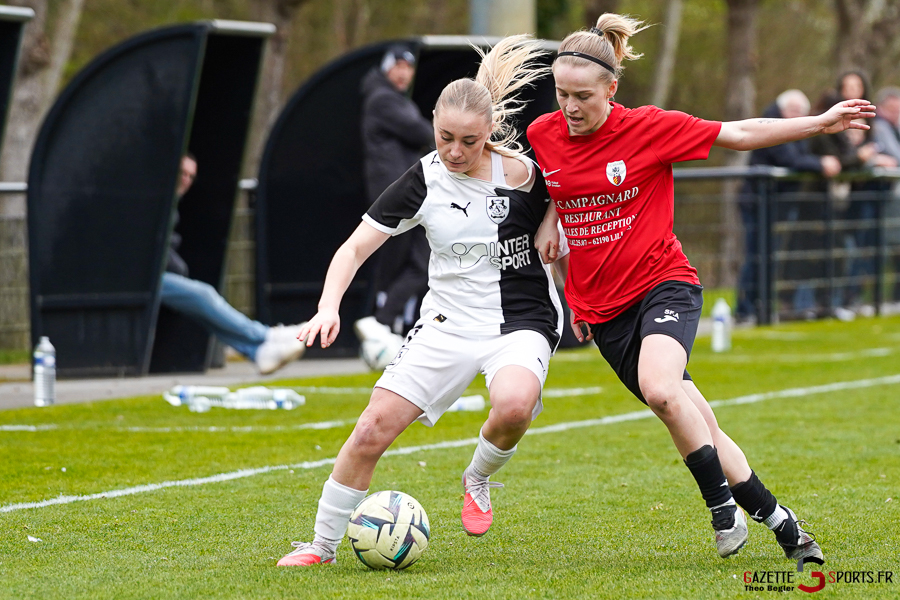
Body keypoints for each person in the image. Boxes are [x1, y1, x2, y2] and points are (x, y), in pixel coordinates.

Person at [526, 13, 873, 563]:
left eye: (583, 96)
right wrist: (551, 217)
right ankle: (784, 524)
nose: (569, 107)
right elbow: (556, 181)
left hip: (663, 284)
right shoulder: (543, 134)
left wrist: (819, 123)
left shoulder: (648, 127)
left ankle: (721, 509)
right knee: (699, 420)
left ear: (612, 89)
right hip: (602, 310)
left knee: (662, 389)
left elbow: (740, 134)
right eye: (562, 94)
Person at [276, 35, 564, 567]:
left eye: (469, 141)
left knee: (514, 405)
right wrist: (327, 306)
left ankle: (477, 477)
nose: (455, 151)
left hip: (521, 321)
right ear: (432, 123)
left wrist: (552, 218)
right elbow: (354, 248)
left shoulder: (525, 175)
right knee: (371, 429)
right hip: (447, 323)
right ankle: (321, 547)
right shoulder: (424, 180)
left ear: (490, 132)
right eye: (445, 137)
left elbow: (576, 197)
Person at [161, 154, 307, 375]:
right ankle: (266, 336)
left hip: (154, 280)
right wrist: (179, 269)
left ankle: (257, 351)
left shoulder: (170, 206)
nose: (186, 180)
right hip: (139, 282)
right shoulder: (154, 204)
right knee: (202, 295)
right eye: (182, 173)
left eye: (191, 176)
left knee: (200, 302)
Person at [356, 45, 435, 360]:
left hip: (405, 194)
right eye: (398, 66)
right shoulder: (383, 99)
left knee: (413, 263)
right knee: (411, 264)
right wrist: (449, 137)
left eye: (408, 67)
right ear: (386, 68)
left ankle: (386, 326)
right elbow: (421, 131)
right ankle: (381, 325)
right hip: (399, 196)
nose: (403, 73)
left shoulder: (392, 99)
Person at [735, 90, 841, 321]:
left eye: (800, 112)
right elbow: (789, 159)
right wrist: (820, 163)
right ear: (782, 109)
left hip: (776, 202)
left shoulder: (792, 130)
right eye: (793, 110)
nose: (796, 115)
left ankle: (761, 306)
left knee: (767, 256)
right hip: (757, 201)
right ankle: (745, 309)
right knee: (755, 255)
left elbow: (799, 155)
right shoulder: (769, 125)